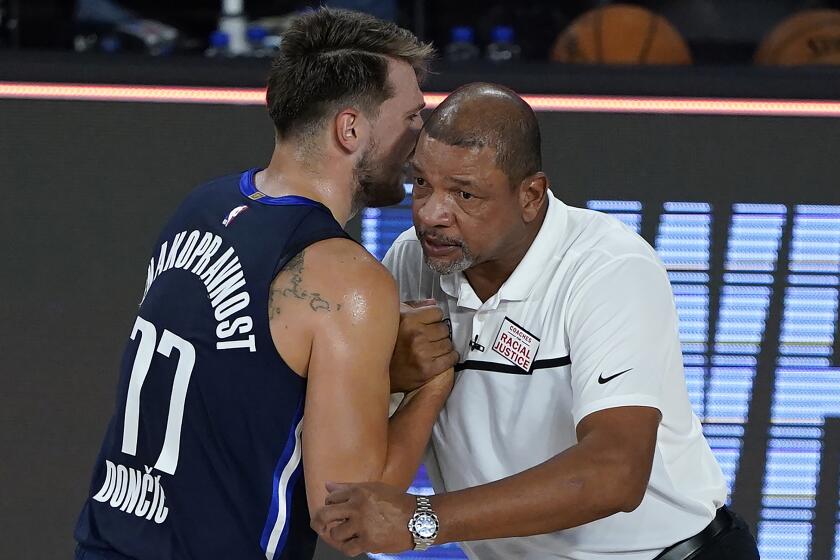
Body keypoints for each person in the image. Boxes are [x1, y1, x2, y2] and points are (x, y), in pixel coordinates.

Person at [312, 83, 760, 559]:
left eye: (465, 193)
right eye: (422, 183)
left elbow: (615, 473)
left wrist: (424, 519)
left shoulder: (608, 266)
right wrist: (405, 384)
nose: (430, 214)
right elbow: (364, 486)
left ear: (530, 195)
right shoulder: (409, 261)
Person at [73, 8, 457, 560]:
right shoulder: (345, 279)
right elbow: (347, 520)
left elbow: (240, 390)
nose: (421, 141)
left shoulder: (201, 206)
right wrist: (428, 390)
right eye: (413, 117)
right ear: (350, 129)